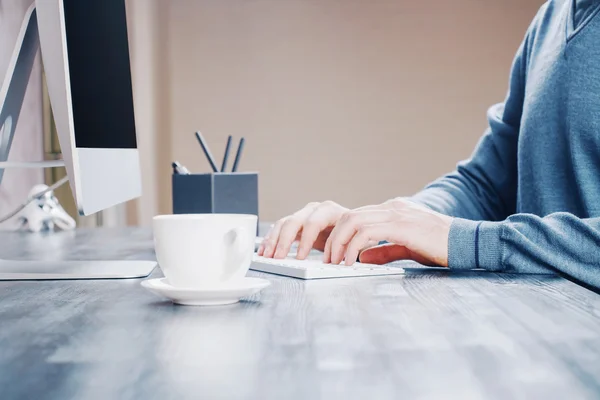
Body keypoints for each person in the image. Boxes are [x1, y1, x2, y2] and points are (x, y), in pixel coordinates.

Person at [258, 0, 600, 288]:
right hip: (546, 333)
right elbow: (485, 186)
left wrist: (466, 240)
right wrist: (385, 225)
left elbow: (467, 233)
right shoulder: (551, 18)